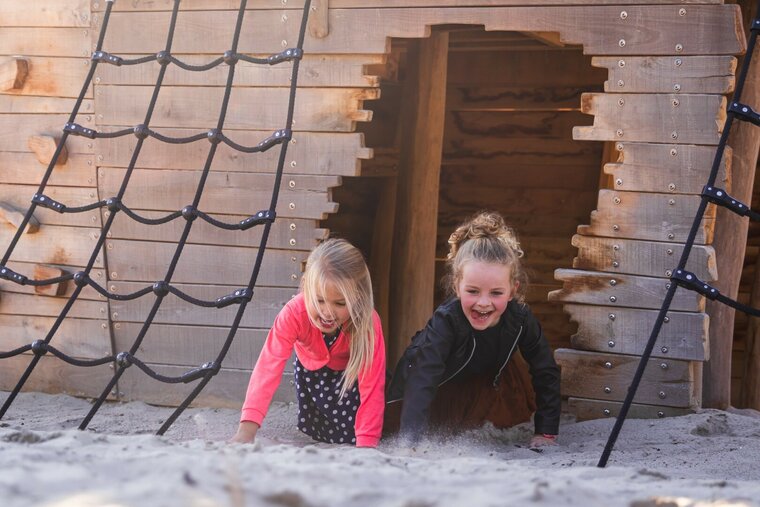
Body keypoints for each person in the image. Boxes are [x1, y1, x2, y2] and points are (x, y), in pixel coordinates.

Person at [386, 211, 561, 447]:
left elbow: (545, 370)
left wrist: (546, 431)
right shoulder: (446, 320)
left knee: (514, 375)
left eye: (496, 293)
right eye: (473, 291)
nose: (483, 302)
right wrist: (411, 441)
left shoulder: (520, 318)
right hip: (438, 391)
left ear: (513, 290)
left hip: (482, 382)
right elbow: (423, 377)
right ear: (457, 287)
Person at [231, 238, 386, 447]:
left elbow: (372, 385)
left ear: (358, 298)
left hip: (350, 376)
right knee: (323, 432)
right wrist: (246, 432)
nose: (327, 312)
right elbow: (268, 367)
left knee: (359, 434)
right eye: (319, 300)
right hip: (313, 373)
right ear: (305, 289)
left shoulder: (367, 322)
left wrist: (367, 444)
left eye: (340, 303)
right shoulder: (294, 313)